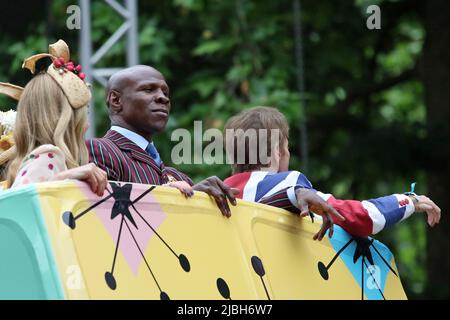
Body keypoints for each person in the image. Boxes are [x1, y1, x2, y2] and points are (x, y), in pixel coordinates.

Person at [86, 65, 339, 225]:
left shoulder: (176, 175)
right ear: (116, 100)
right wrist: (185, 199)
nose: (162, 97)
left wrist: (293, 194)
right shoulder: (98, 151)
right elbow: (106, 223)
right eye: (148, 90)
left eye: (165, 92)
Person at [223, 106, 441, 239]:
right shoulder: (288, 183)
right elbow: (361, 217)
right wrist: (408, 201)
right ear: (275, 152)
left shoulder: (220, 194)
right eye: (286, 148)